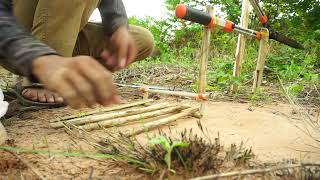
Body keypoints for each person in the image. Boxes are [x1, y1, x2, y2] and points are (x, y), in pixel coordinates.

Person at [0, 0, 154, 109]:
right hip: (15, 30)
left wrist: (118, 26)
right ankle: (41, 78)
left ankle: (71, 73)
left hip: (60, 30)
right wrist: (39, 58)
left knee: (142, 40)